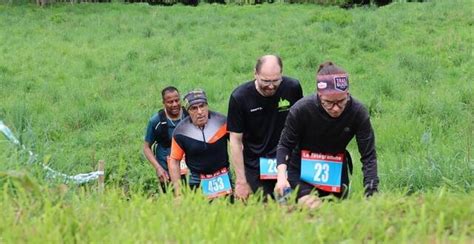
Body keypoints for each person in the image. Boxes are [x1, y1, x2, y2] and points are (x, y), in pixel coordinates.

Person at [275, 61, 379, 209]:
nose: (336, 108)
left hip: (335, 172)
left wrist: (371, 192)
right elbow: (285, 145)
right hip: (301, 170)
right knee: (311, 208)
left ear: (347, 93)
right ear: (319, 95)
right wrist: (281, 177)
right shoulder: (301, 109)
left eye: (341, 101)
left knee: (334, 216)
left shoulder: (358, 112)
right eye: (328, 103)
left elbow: (368, 156)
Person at [227, 55, 303, 200]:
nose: (271, 86)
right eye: (265, 81)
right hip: (255, 165)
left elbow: (301, 125)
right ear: (255, 73)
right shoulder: (240, 97)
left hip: (286, 161)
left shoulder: (292, 88)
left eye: (275, 80)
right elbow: (236, 141)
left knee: (289, 207)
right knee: (264, 210)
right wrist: (241, 181)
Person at [168, 90, 232, 200]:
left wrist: (243, 177)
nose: (200, 111)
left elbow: (239, 145)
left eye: (202, 106)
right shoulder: (180, 131)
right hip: (197, 179)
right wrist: (178, 193)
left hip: (223, 176)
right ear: (188, 111)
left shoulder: (222, 122)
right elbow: (174, 161)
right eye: (194, 108)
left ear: (207, 106)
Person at [143, 86, 189, 193]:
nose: (174, 104)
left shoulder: (189, 116)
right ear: (163, 102)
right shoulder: (156, 121)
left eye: (177, 100)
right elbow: (146, 148)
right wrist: (158, 168)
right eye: (170, 102)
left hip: (189, 169)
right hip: (166, 170)